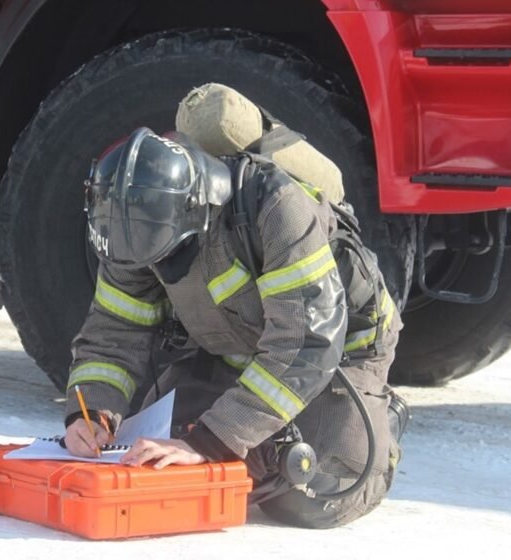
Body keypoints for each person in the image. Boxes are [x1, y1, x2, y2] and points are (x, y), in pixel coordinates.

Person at [63, 126, 409, 529]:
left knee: (307, 490)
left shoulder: (275, 207)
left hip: (336, 352)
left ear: (194, 211)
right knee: (156, 464)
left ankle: (383, 424)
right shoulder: (129, 225)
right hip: (235, 345)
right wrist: (90, 413)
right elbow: (114, 335)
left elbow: (306, 343)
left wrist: (211, 442)